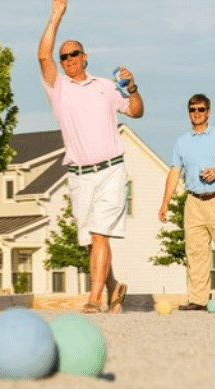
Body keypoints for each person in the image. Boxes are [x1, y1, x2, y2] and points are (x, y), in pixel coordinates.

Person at [38, 0, 144, 313]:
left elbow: (136, 111)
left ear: (85, 57)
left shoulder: (109, 87)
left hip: (111, 170)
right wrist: (55, 16)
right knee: (90, 240)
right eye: (64, 56)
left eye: (73, 54)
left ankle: (94, 299)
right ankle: (113, 286)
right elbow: (43, 55)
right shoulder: (59, 89)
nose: (68, 59)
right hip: (79, 175)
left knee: (99, 236)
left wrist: (134, 89)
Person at [159, 94, 214, 311]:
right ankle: (198, 300)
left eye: (201, 109)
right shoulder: (182, 142)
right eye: (193, 109)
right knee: (196, 253)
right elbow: (174, 172)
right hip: (193, 202)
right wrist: (164, 203)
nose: (197, 113)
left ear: (208, 111)